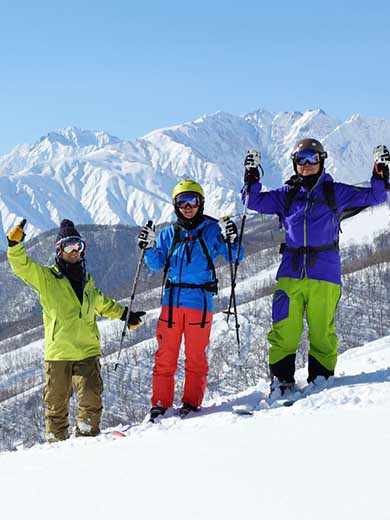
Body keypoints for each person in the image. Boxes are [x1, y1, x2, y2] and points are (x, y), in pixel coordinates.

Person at [242, 139, 389, 397]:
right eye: (302, 159)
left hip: (325, 272)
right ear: (295, 164)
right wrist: (252, 177)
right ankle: (282, 380)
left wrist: (380, 173)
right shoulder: (286, 195)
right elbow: (252, 201)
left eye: (312, 158)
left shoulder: (335, 192)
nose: (307, 164)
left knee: (322, 331)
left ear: (321, 160)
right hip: (291, 271)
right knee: (284, 328)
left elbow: (376, 195)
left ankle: (320, 380)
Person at [7, 218, 145, 442]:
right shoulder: (46, 278)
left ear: (83, 249)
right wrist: (14, 247)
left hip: (87, 351)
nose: (74, 251)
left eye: (78, 246)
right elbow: (23, 267)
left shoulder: (87, 281)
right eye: (68, 246)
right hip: (59, 354)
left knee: (92, 397)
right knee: (56, 405)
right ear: (59, 250)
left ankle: (87, 438)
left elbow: (102, 303)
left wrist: (124, 315)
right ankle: (57, 445)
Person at [138, 179, 243, 421]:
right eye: (182, 201)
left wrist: (232, 239)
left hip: (199, 302)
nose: (187, 206)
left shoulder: (212, 230)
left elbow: (234, 257)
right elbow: (156, 264)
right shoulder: (169, 233)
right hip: (171, 303)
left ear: (201, 202)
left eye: (192, 200)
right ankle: (161, 404)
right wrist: (149, 246)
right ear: (175, 205)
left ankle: (191, 402)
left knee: (196, 356)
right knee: (165, 355)